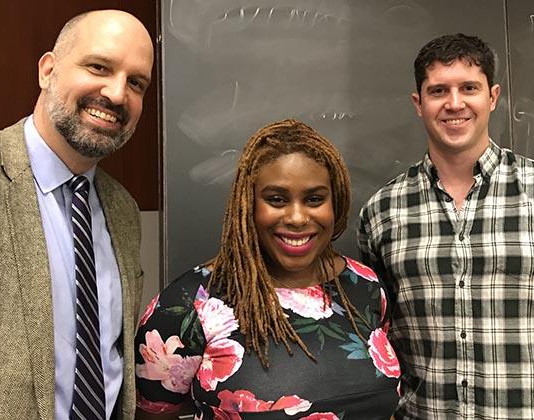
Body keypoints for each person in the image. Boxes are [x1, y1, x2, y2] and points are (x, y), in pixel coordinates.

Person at [358, 33, 534, 419]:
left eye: (469, 88)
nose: (455, 103)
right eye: (438, 91)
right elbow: (385, 332)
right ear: (419, 103)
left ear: (492, 97)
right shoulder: (382, 213)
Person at [0, 10, 153, 420]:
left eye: (136, 82)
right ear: (48, 70)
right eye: (99, 66)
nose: (118, 95)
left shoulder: (123, 211)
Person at [135, 119, 400, 419]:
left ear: (334, 202)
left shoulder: (364, 285)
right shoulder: (187, 306)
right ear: (248, 204)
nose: (297, 217)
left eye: (314, 199)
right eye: (276, 199)